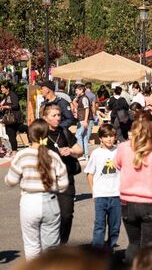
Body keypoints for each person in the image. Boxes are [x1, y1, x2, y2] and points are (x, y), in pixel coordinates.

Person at [114, 111, 152, 263]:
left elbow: (117, 164)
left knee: (134, 244)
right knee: (149, 248)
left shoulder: (123, 147)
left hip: (128, 202)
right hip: (151, 203)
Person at [4, 119, 68, 260]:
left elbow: (11, 181)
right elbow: (64, 183)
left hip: (29, 202)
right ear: (46, 136)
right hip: (50, 201)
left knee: (32, 246)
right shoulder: (53, 156)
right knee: (51, 249)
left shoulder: (22, 155)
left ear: (29, 135)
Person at [41, 104, 83, 244]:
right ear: (45, 117)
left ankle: (62, 244)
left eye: (59, 115)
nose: (58, 118)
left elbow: (79, 150)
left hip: (66, 180)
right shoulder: (40, 133)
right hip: (47, 180)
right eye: (54, 115)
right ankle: (49, 246)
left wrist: (71, 151)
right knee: (48, 216)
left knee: (66, 215)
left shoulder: (65, 132)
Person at [84, 124, 120, 250]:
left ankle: (110, 248)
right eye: (106, 136)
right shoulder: (96, 153)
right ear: (100, 138)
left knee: (115, 225)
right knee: (100, 225)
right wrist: (93, 191)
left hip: (116, 194)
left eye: (112, 136)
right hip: (101, 195)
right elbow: (90, 174)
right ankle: (97, 252)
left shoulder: (119, 151)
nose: (109, 139)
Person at [0, 81, 21, 153]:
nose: (1, 89)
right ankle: (14, 150)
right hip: (7, 119)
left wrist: (6, 106)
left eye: (3, 87)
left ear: (7, 88)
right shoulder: (5, 96)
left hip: (13, 118)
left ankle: (14, 152)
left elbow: (16, 105)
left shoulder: (12, 95)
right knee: (10, 134)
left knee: (11, 134)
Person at [73, 84, 92, 160]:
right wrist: (76, 97)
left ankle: (81, 154)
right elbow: (75, 104)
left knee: (78, 135)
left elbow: (87, 109)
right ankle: (85, 154)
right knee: (84, 137)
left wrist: (85, 120)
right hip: (82, 119)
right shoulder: (80, 98)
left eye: (77, 90)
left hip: (83, 119)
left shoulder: (84, 98)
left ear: (81, 90)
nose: (76, 91)